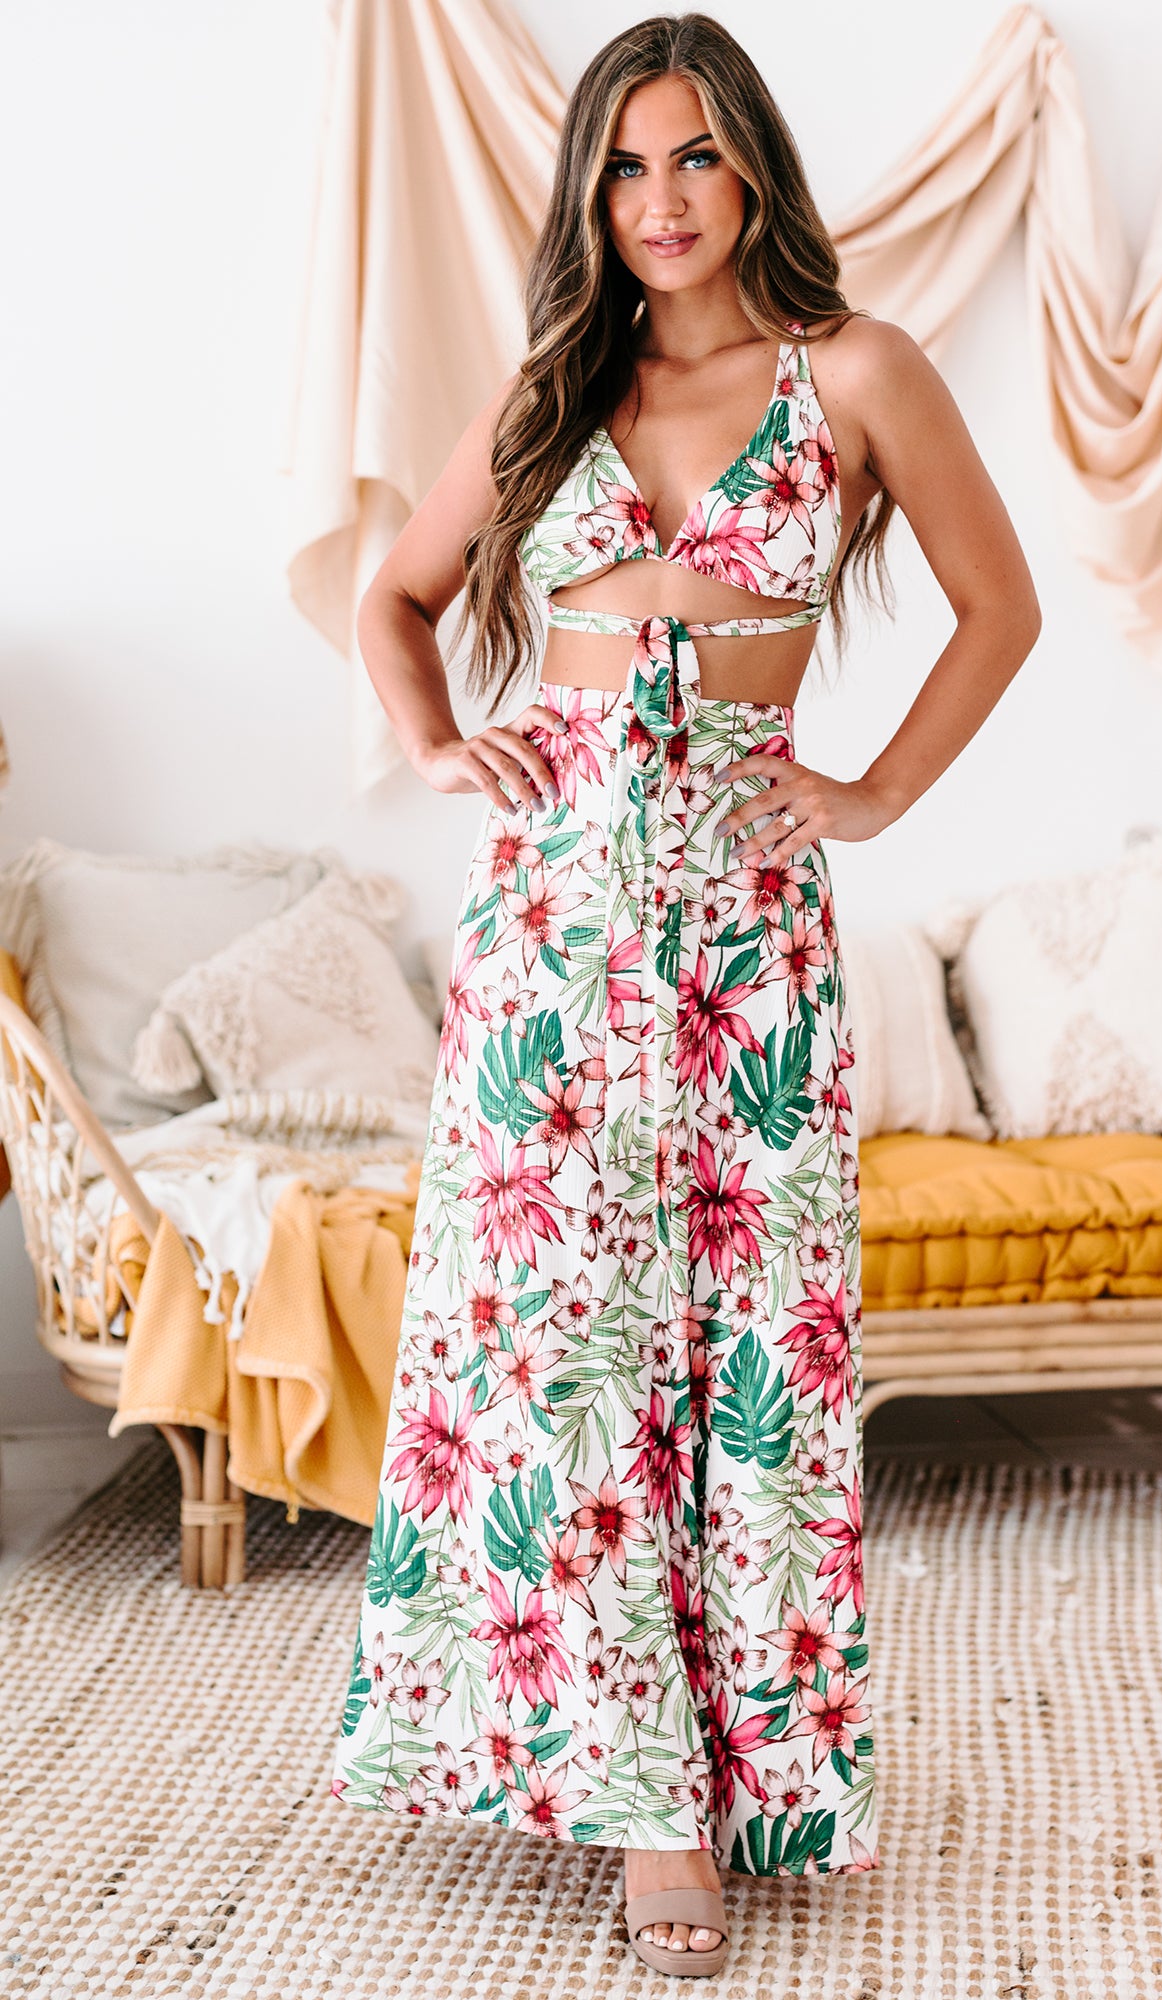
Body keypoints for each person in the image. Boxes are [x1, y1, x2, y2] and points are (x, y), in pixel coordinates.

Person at [330, 10, 1040, 1978]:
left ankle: (747, 1777)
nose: (660, 200)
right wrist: (440, 742)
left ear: (753, 171)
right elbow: (394, 594)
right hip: (554, 924)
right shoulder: (552, 386)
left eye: (695, 157)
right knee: (560, 1349)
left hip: (744, 922)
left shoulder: (854, 372)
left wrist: (871, 793)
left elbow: (1002, 607)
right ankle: (642, 1803)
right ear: (590, 191)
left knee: (747, 1353)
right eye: (627, 165)